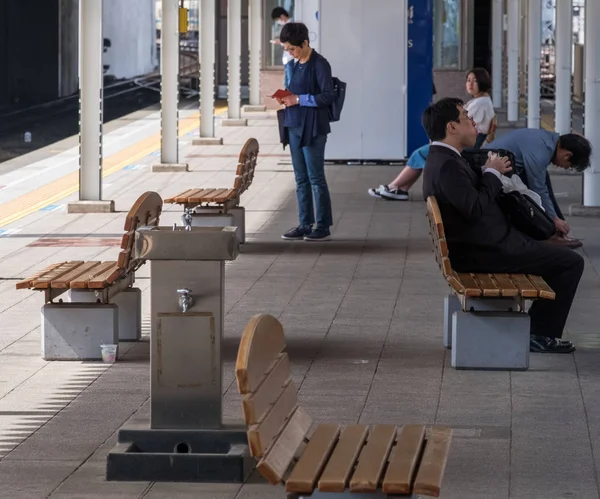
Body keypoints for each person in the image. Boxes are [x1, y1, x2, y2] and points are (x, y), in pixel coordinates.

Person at [422, 97, 584, 354]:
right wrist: (492, 173)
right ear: (452, 127)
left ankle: (539, 330)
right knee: (571, 263)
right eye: (467, 118)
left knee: (556, 253)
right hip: (486, 251)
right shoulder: (448, 166)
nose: (473, 122)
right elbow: (474, 208)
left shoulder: (445, 159)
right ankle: (540, 334)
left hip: (486, 244)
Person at [277, 22, 336, 242]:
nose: (290, 53)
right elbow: (291, 90)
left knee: (315, 177)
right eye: (286, 49)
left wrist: (299, 99)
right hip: (293, 124)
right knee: (300, 178)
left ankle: (322, 224)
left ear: (305, 43)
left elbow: (328, 95)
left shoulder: (320, 64)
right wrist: (285, 98)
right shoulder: (292, 65)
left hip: (313, 127)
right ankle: (304, 223)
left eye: (292, 48)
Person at [487, 129, 591, 240]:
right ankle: (551, 231)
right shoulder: (541, 152)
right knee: (533, 194)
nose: (566, 168)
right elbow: (538, 188)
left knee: (543, 179)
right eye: (569, 165)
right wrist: (554, 218)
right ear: (567, 155)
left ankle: (557, 230)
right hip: (491, 169)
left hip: (505, 168)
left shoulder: (546, 139)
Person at [464, 68, 495, 148]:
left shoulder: (481, 103)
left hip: (471, 144)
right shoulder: (481, 100)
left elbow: (461, 121)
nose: (470, 84)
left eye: (475, 81)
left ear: (482, 82)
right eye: (468, 80)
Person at [270, 7, 294, 88]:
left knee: (290, 83)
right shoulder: (285, 26)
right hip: (287, 59)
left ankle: (292, 99)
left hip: (291, 58)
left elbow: (290, 40)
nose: (278, 22)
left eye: (277, 19)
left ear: (282, 16)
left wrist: (280, 41)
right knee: (286, 84)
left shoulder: (291, 25)